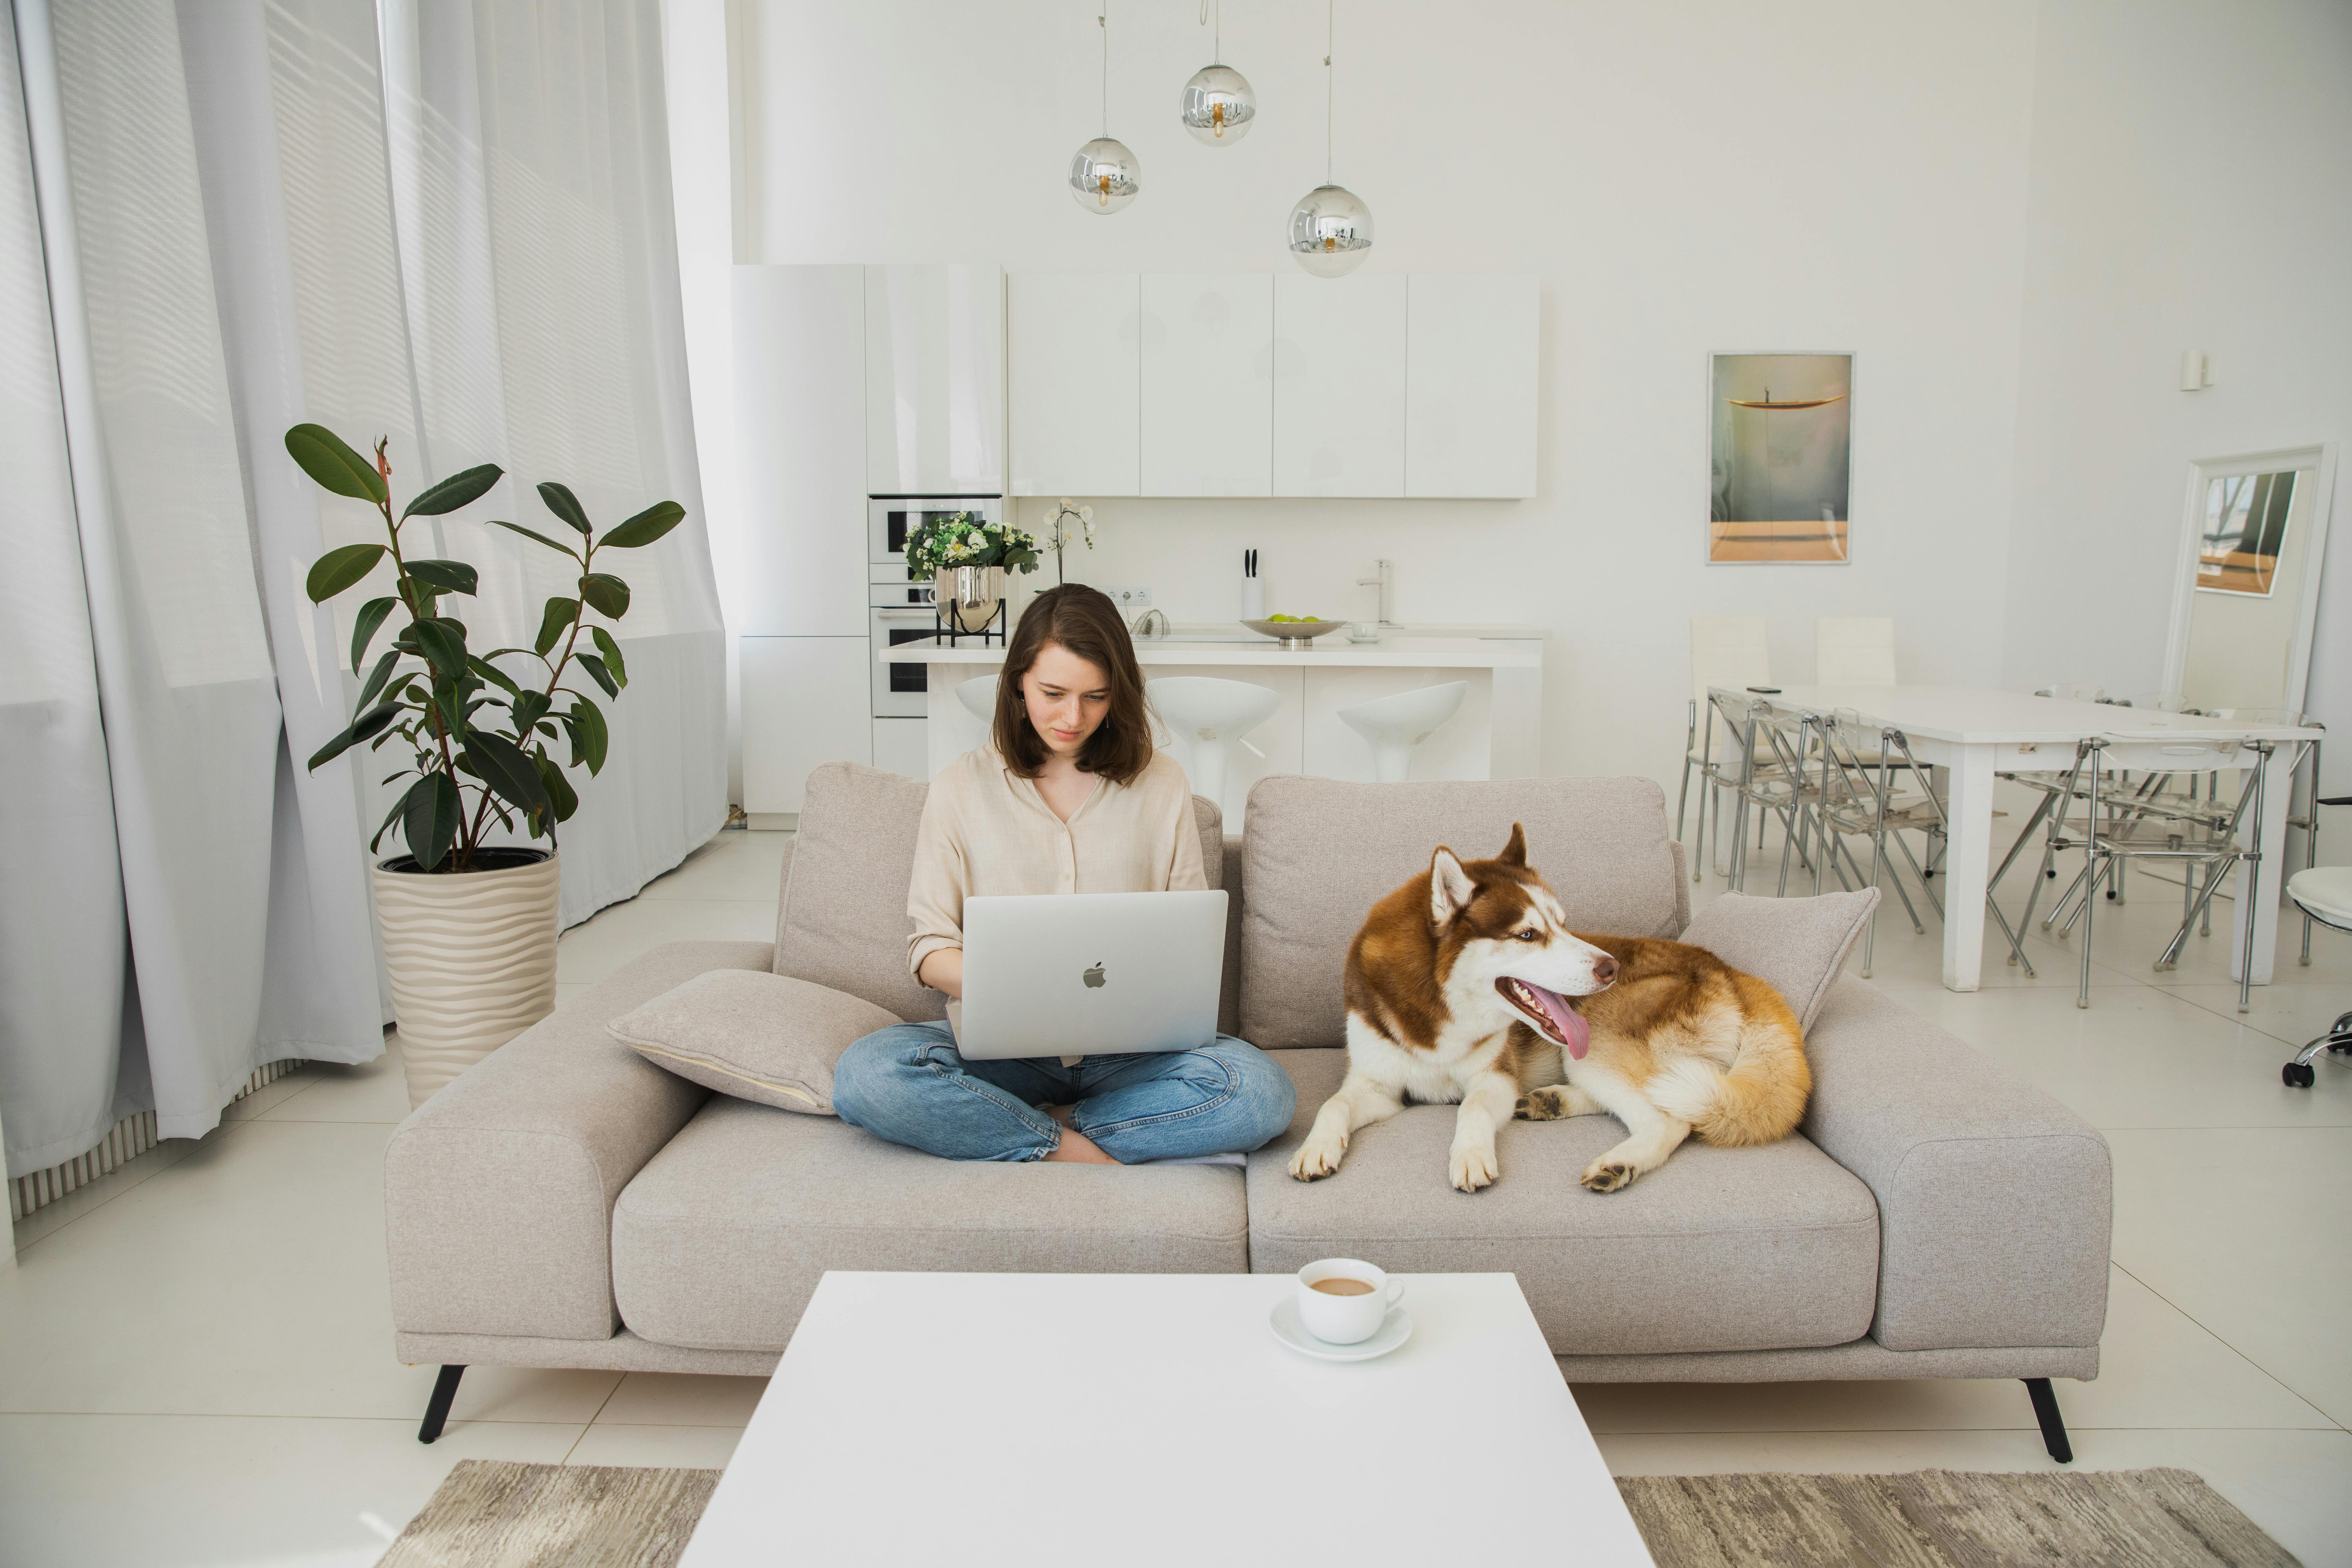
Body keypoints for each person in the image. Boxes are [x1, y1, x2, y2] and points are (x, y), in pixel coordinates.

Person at [831, 584, 1295, 1163]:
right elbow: (929, 950)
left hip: (1131, 1053)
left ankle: (1044, 1127)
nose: (1072, 718)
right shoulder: (960, 787)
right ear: (1019, 683)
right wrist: (1025, 990)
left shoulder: (1163, 783)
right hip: (1004, 1055)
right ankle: (1073, 1151)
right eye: (1053, 693)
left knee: (1260, 1095)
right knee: (868, 1074)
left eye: (1095, 698)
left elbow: (1189, 941)